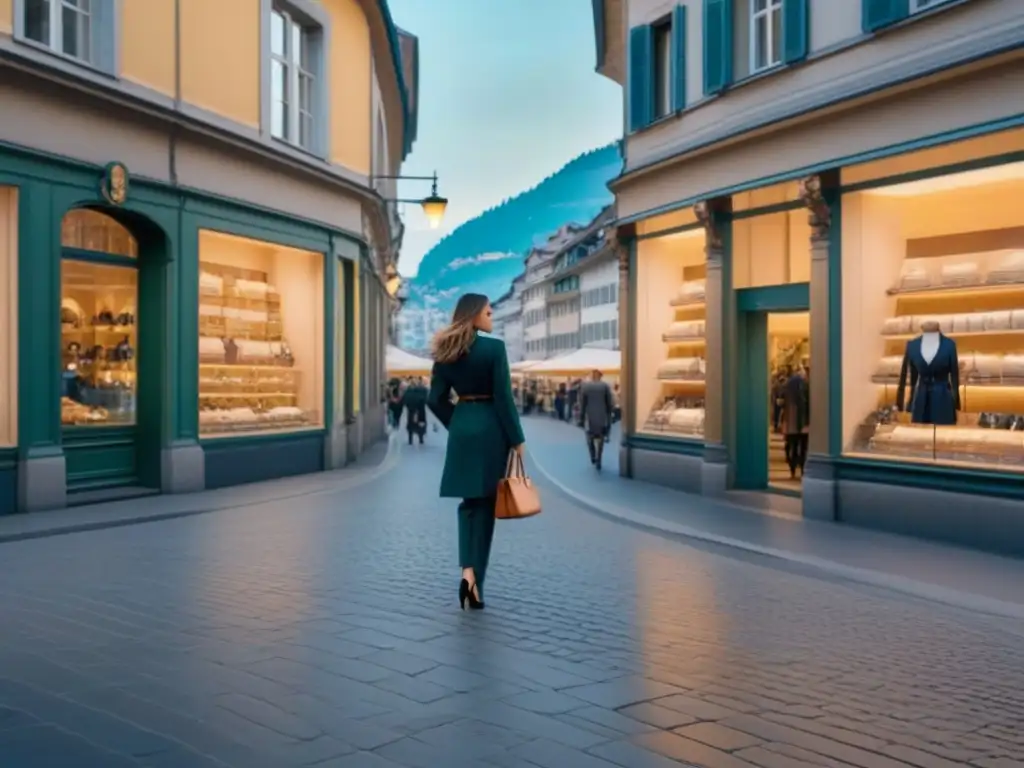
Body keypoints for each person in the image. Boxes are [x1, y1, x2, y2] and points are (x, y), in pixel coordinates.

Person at [428, 293, 525, 611]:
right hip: (490, 430)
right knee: (485, 506)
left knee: (468, 505)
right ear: (474, 315)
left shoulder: (444, 350)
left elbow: (435, 399)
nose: (491, 315)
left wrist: (456, 422)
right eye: (487, 311)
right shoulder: (494, 348)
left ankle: (467, 573)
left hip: (462, 427)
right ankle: (475, 585)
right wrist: (517, 438)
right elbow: (503, 398)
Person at [579, 369, 614, 470]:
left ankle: (593, 455)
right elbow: (609, 403)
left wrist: (581, 418)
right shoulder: (605, 386)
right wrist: (609, 414)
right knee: (601, 439)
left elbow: (583, 404)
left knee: (589, 438)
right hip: (602, 417)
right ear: (600, 376)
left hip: (590, 417)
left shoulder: (586, 387)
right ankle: (599, 458)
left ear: (592, 376)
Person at [782, 366, 810, 479]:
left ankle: (792, 469)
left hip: (791, 424)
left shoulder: (788, 388)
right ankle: (802, 468)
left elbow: (783, 405)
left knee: (791, 446)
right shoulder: (806, 387)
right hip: (803, 424)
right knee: (803, 447)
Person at [402, 376, 429, 445]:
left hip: (411, 410)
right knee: (421, 424)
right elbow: (426, 400)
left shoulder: (408, 391)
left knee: (411, 424)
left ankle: (410, 439)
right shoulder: (423, 390)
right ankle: (421, 438)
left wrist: (408, 405)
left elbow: (405, 401)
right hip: (420, 410)